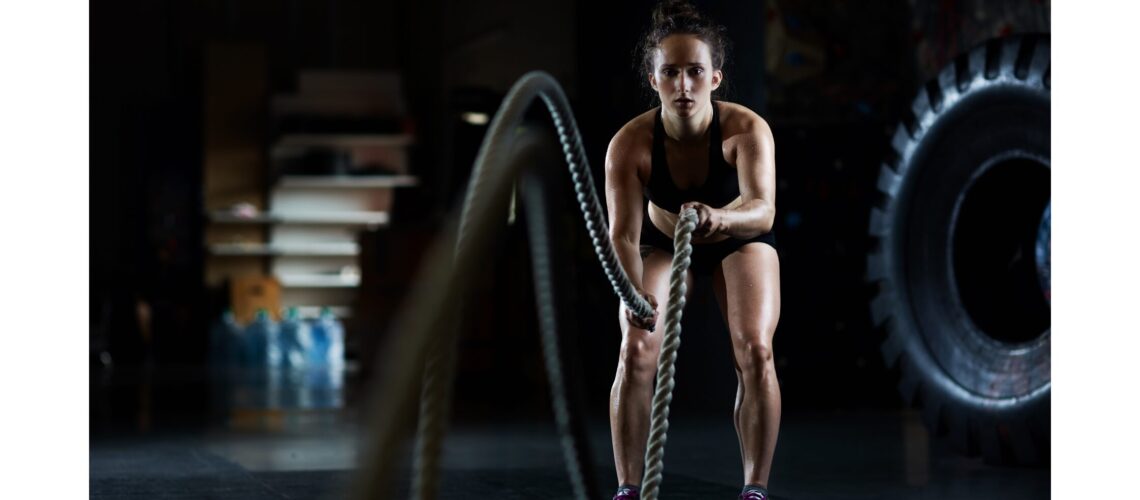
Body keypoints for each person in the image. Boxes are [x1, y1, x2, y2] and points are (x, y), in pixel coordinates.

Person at [604, 2, 781, 499]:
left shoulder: (746, 130)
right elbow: (621, 234)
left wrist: (719, 217)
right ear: (653, 78)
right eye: (671, 73)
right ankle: (627, 487)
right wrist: (634, 294)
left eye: (695, 72)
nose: (684, 85)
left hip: (738, 236)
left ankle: (755, 488)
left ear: (716, 77)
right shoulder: (630, 144)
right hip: (661, 242)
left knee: (756, 350)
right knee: (636, 349)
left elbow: (763, 210)